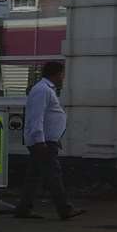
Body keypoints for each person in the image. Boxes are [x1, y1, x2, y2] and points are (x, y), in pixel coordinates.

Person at [15, 61, 83, 221]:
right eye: (62, 74)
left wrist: (53, 137)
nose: (63, 78)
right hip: (42, 141)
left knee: (34, 176)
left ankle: (23, 208)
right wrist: (40, 140)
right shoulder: (42, 90)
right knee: (54, 174)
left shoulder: (45, 89)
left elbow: (47, 117)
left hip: (46, 139)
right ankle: (64, 208)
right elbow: (36, 117)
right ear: (56, 74)